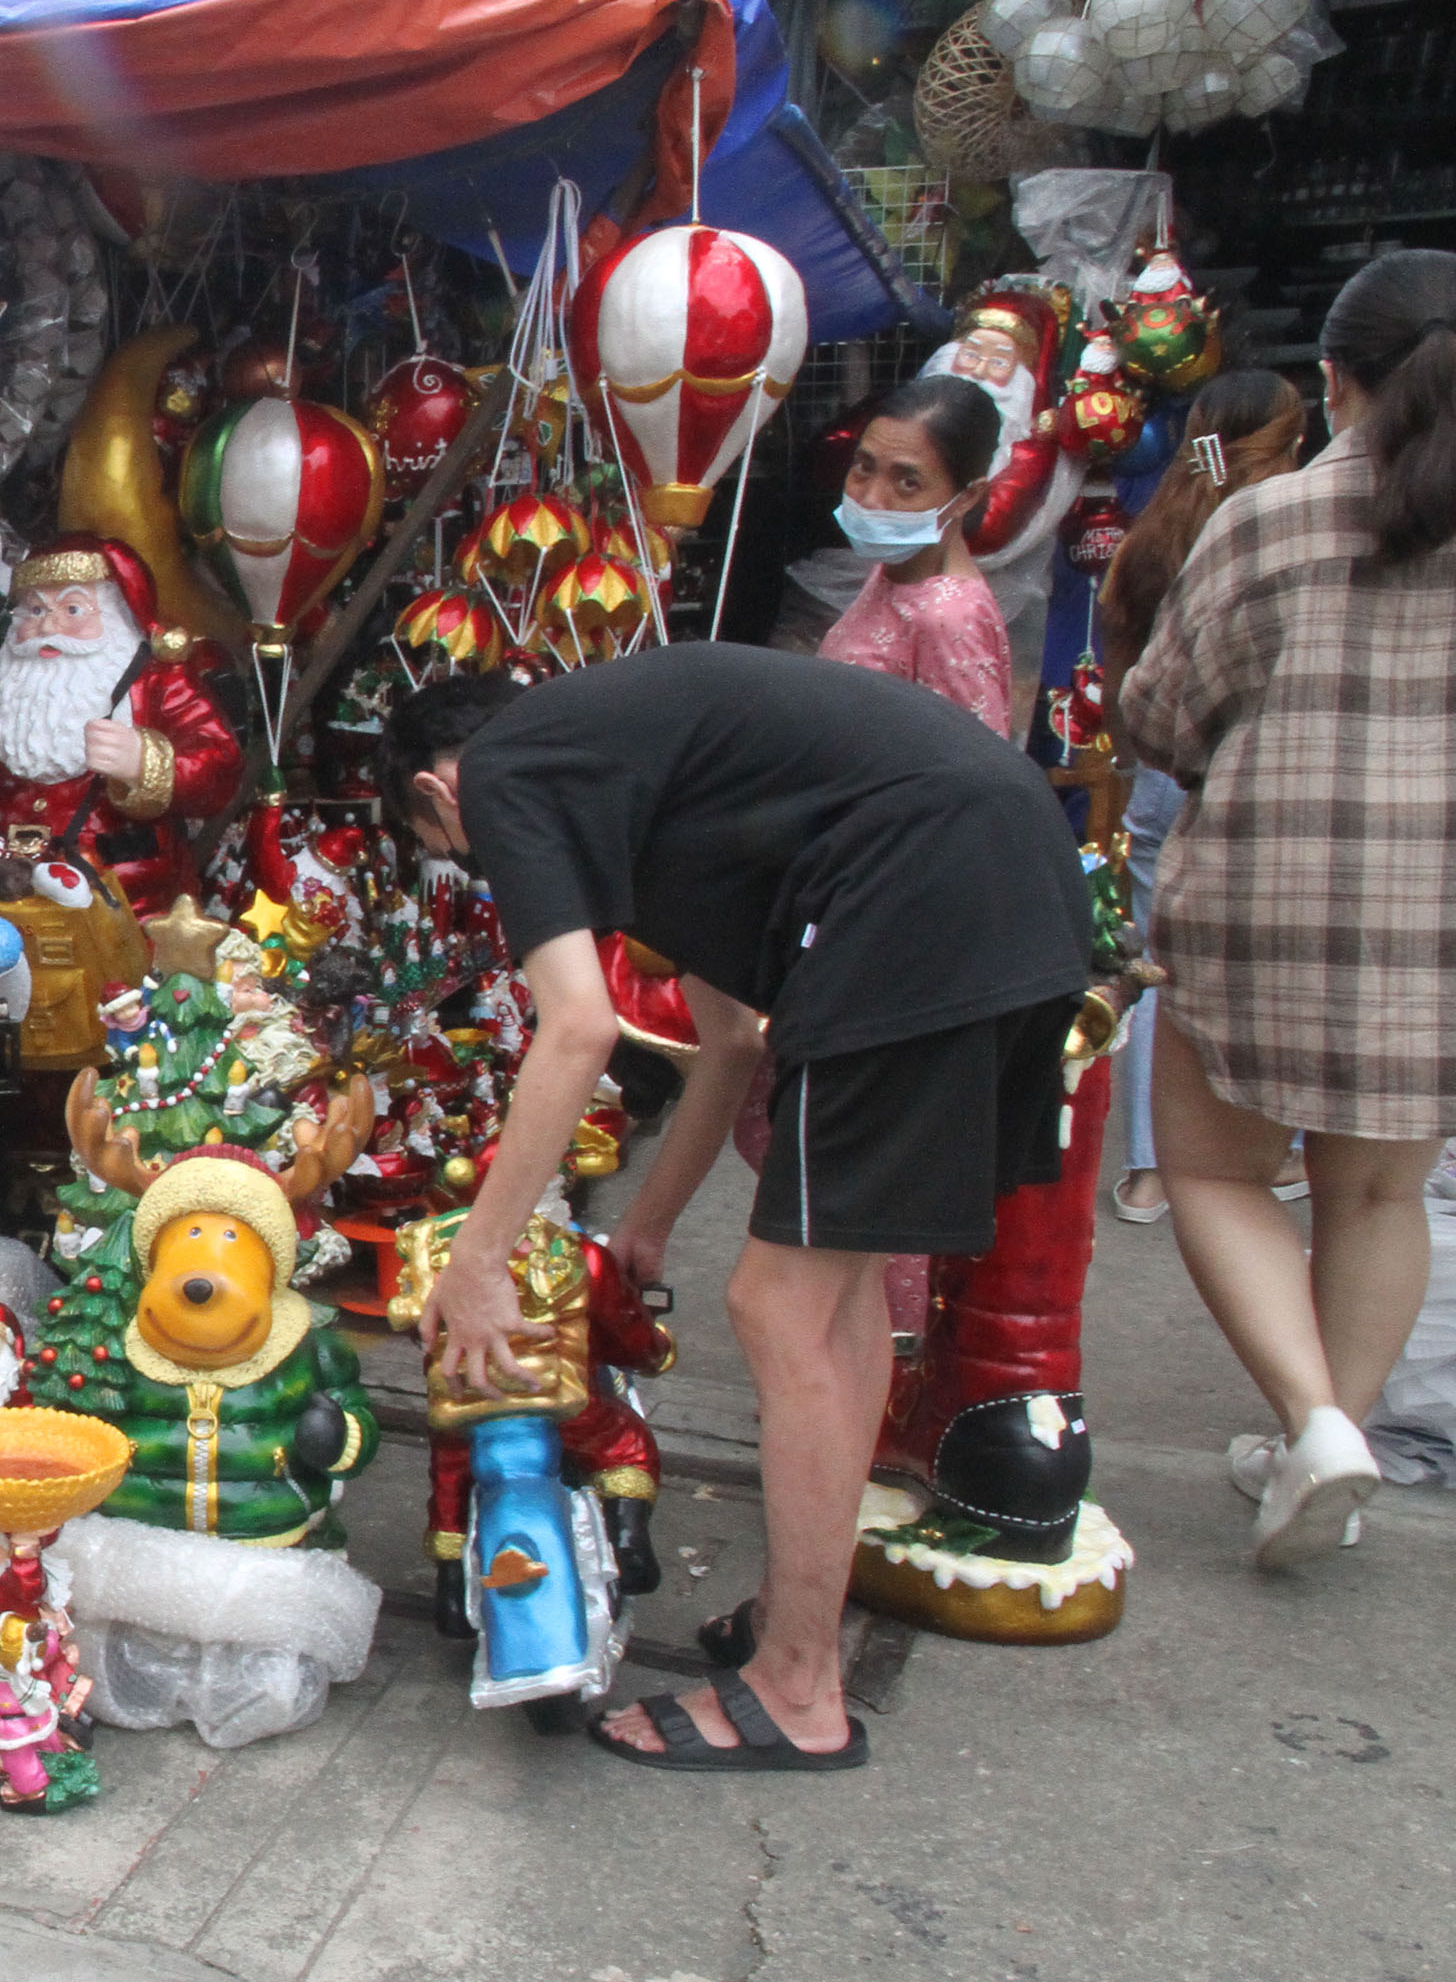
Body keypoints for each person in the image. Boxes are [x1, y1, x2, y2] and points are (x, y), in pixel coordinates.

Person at [384, 645, 1089, 1770]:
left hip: (917, 892)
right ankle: (800, 1624)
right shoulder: (631, 764)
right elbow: (729, 1043)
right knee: (837, 1300)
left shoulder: (509, 767)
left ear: (436, 791)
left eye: (457, 858)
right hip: (1008, 872)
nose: (491, 874)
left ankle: (799, 1691)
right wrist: (650, 1223)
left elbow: (576, 1029)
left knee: (780, 1308)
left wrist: (476, 1262)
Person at [1118, 248, 1456, 1567]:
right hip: (1439, 918)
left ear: (1334, 383)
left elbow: (1159, 716)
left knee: (1214, 1168)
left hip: (1260, 900)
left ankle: (1315, 1425)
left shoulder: (1265, 523)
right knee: (1378, 1199)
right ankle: (1334, 1439)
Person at [1090, 369, 1309, 1225]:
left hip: (1158, 777)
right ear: (1290, 440)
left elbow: (1123, 685)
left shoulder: (1156, 535)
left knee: (1156, 972)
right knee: (1273, 967)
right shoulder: (1287, 531)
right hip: (1259, 783)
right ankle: (1264, 1144)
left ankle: (1151, 1169)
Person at [818, 375, 1020, 740]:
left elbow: (972, 773)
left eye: (907, 482)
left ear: (967, 497)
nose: (872, 498)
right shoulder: (895, 571)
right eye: (863, 467)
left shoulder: (948, 619)